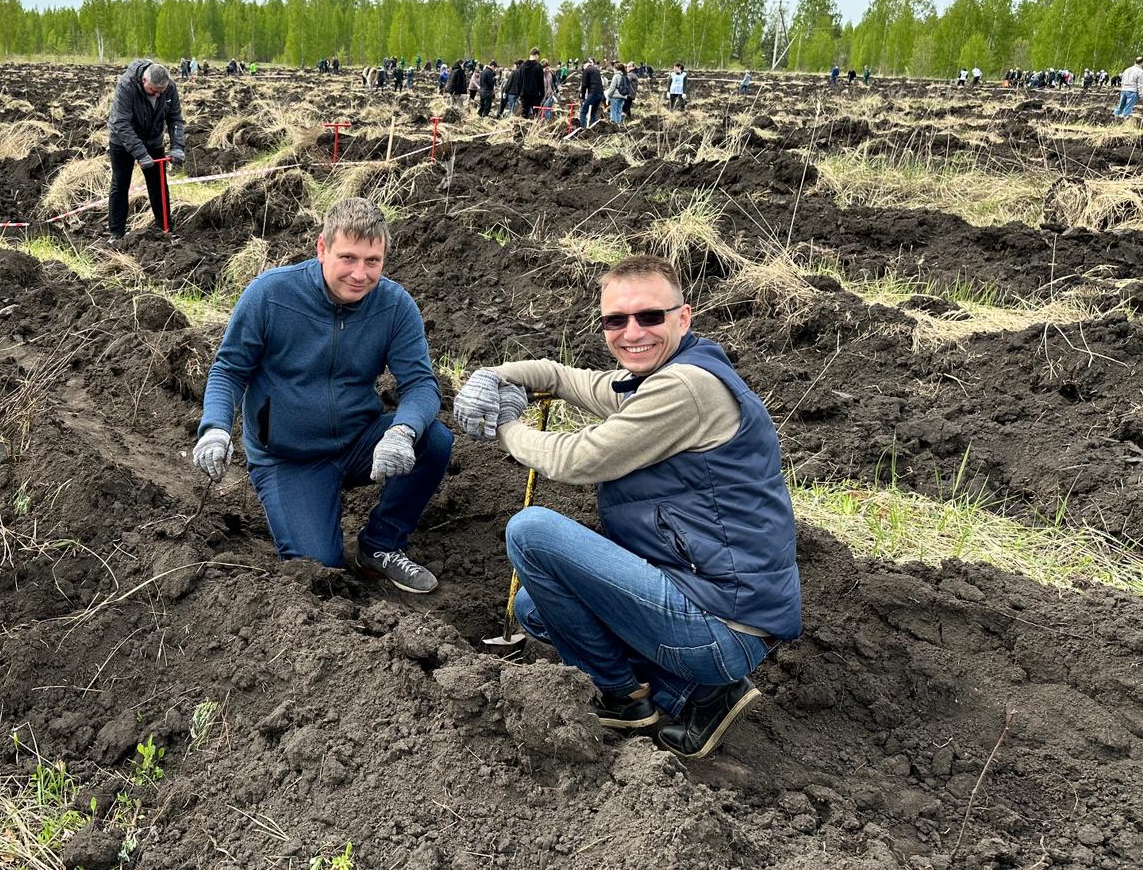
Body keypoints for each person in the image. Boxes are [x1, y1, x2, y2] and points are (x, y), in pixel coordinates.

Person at [452, 254, 801, 759]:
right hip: (704, 599)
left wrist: (504, 427)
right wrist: (494, 377)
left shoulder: (686, 389)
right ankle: (701, 694)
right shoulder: (662, 374)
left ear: (683, 317)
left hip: (724, 623)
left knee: (531, 531)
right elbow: (562, 377)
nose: (631, 332)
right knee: (535, 607)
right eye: (615, 320)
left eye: (649, 317)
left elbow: (579, 459)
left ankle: (624, 698)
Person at [191, 198, 452, 594]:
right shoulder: (271, 295)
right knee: (319, 573)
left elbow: (420, 384)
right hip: (288, 456)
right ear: (321, 249)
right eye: (348, 258)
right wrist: (214, 429)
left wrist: (401, 431)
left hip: (357, 439)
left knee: (433, 439)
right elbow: (229, 370)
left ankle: (381, 545)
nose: (360, 274)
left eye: (372, 261)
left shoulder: (394, 306)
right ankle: (311, 515)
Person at [106, 59, 185, 244]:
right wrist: (141, 154)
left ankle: (165, 228)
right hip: (122, 141)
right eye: (153, 91)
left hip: (153, 138)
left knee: (158, 184)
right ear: (143, 80)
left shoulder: (169, 87)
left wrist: (177, 147)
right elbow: (121, 123)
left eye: (161, 92)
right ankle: (116, 234)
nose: (157, 95)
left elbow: (175, 118)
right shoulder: (126, 85)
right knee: (120, 183)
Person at [519, 48, 547, 119]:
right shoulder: (538, 66)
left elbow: (519, 80)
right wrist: (542, 94)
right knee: (536, 114)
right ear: (536, 55)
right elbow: (541, 82)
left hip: (524, 94)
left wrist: (520, 92)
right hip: (534, 94)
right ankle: (535, 128)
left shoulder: (522, 66)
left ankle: (523, 128)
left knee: (524, 114)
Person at [579, 57, 604, 127]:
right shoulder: (596, 70)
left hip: (593, 93)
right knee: (593, 112)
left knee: (583, 111)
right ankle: (595, 128)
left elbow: (584, 85)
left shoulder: (586, 70)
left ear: (584, 65)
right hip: (600, 93)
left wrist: (582, 97)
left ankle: (582, 128)